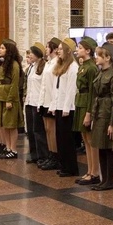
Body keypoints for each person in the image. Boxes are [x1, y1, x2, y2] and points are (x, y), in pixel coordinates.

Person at [90, 43, 113, 191]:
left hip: (107, 113)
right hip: (99, 110)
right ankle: (103, 179)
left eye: (99, 55)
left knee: (108, 148)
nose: (96, 58)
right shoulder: (100, 72)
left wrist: (112, 123)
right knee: (100, 146)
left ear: (107, 58)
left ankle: (109, 180)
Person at [49, 38, 79, 177]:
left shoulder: (73, 67)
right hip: (60, 106)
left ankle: (70, 167)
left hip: (68, 108)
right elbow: (57, 89)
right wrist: (54, 105)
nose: (58, 51)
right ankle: (63, 164)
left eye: (61, 49)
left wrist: (66, 108)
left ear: (67, 51)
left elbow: (71, 90)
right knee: (59, 137)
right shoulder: (60, 66)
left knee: (67, 139)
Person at [74, 36, 100, 185]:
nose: (77, 50)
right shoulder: (83, 65)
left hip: (87, 105)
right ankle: (89, 171)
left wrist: (89, 113)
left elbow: (92, 92)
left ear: (88, 50)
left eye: (80, 48)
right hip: (80, 102)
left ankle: (95, 172)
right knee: (85, 139)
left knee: (91, 140)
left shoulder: (91, 68)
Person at [0, 41, 24, 159]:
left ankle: (13, 149)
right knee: (4, 124)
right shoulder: (2, 64)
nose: (0, 50)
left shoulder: (14, 65)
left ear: (9, 50)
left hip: (9, 96)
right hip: (1, 95)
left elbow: (14, 83)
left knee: (11, 124)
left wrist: (10, 99)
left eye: (2, 48)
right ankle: (7, 147)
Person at [38, 37, 62, 170]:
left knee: (52, 129)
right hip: (45, 100)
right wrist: (40, 102)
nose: (46, 49)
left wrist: (53, 102)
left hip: (52, 100)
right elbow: (44, 84)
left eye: (47, 47)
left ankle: (55, 155)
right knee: (47, 129)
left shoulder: (56, 63)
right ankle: (50, 154)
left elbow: (54, 85)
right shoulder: (48, 63)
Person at [24, 42, 49, 164]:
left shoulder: (44, 67)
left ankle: (42, 155)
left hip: (37, 102)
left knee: (38, 130)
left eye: (32, 53)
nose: (30, 55)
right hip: (29, 101)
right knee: (30, 130)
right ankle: (33, 154)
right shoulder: (31, 67)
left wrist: (40, 103)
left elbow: (43, 86)